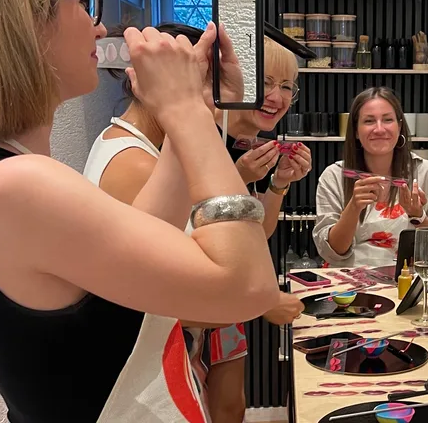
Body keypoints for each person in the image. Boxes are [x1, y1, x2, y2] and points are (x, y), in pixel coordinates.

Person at [0, 0, 279, 422]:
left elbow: (135, 263)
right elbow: (248, 288)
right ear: (21, 20)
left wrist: (195, 106)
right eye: (83, 2)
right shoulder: (16, 185)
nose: (98, 24)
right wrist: (183, 115)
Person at [86, 25, 309, 423]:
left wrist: (274, 184)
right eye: (210, 89)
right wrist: (265, 302)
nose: (225, 103)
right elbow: (158, 300)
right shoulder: (133, 164)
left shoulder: (149, 152)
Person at [313, 87, 428, 267]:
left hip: (409, 279)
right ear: (355, 130)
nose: (379, 129)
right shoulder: (334, 176)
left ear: (399, 126)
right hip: (350, 285)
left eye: (387, 120)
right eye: (369, 121)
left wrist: (418, 216)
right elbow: (332, 252)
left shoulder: (426, 173)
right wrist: (354, 207)